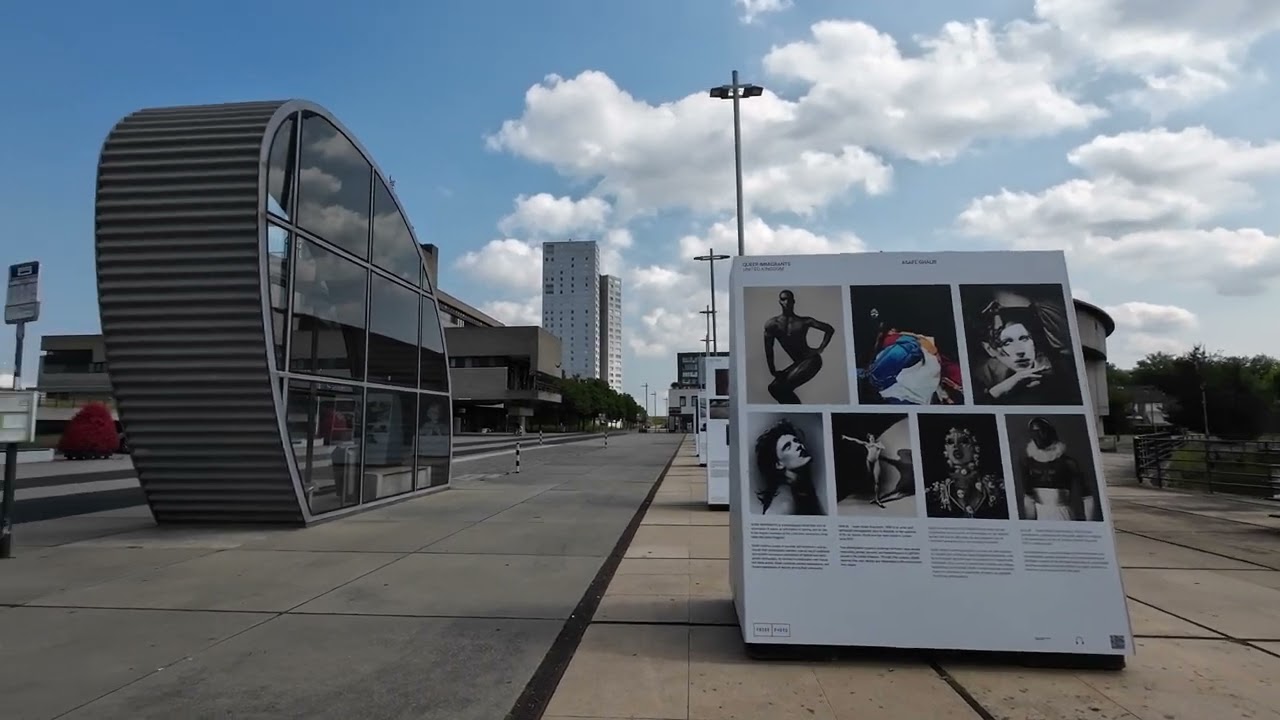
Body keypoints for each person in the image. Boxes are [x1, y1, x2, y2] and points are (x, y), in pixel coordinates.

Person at [971, 297, 1078, 405]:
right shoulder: (982, 377)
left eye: (1024, 339)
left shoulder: (1063, 369)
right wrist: (999, 390)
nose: (1019, 351)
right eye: (1007, 342)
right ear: (989, 350)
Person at [762, 290, 835, 404]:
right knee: (774, 388)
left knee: (781, 389)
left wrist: (820, 348)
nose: (786, 302)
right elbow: (768, 349)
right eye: (783, 299)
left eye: (789, 299)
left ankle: (798, 411)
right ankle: (796, 410)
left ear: (793, 302)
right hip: (798, 363)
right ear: (779, 302)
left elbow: (829, 329)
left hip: (811, 361)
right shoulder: (772, 324)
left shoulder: (804, 321)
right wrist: (773, 370)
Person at [1020, 416, 1097, 521]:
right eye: (1034, 432)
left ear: (1050, 432)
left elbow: (1087, 497)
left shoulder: (1068, 463)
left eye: (1041, 431)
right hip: (1040, 516)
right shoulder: (1028, 463)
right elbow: (1029, 498)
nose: (1038, 436)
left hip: (1063, 516)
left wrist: (1090, 524)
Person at [924, 426, 1008, 519]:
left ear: (975, 447)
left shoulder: (996, 488)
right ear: (946, 450)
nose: (956, 446)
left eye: (964, 441)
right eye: (950, 442)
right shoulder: (936, 493)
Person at [754, 419, 823, 515]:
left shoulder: (801, 490)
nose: (798, 445)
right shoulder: (783, 502)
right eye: (788, 447)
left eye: (796, 441)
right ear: (778, 464)